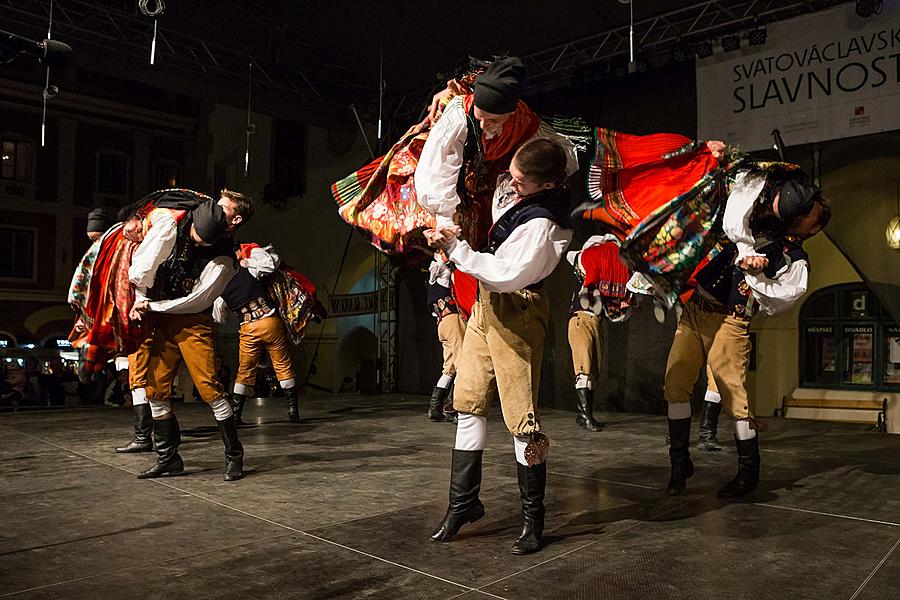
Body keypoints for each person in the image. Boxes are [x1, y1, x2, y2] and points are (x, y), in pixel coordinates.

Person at [424, 137, 573, 555]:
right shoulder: (527, 182)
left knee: (520, 417)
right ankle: (463, 503)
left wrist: (456, 249)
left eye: (521, 180)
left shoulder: (545, 225)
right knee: (467, 401)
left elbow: (507, 273)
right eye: (512, 171)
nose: (512, 181)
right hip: (485, 309)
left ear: (545, 185)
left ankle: (533, 520)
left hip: (518, 311)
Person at [663, 170, 831, 497]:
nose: (801, 213)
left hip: (729, 320)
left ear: (815, 227)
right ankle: (679, 461)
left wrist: (757, 274)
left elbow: (781, 297)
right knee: (675, 384)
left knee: (735, 399)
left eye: (809, 213)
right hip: (696, 308)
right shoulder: (758, 218)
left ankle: (748, 471)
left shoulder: (793, 257)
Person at [114, 189, 253, 454]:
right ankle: (168, 457)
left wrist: (150, 304)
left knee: (208, 387)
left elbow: (197, 301)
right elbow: (149, 263)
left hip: (191, 322)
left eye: (223, 210)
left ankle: (234, 453)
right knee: (155, 387)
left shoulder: (223, 260)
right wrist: (140, 298)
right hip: (164, 319)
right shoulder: (180, 227)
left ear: (233, 221)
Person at [213, 244, 301, 424]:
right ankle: (293, 410)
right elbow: (272, 262)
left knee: (245, 371)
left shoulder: (220, 290)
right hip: (270, 321)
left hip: (248, 327)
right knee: (283, 365)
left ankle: (237, 415)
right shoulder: (250, 269)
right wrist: (249, 260)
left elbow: (218, 317)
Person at [564, 235, 635, 431]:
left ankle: (583, 414)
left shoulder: (596, 262)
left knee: (593, 370)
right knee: (583, 368)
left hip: (595, 320)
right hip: (581, 319)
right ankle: (586, 416)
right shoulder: (597, 260)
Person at [425, 256, 465, 423]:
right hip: (451, 321)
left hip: (442, 323)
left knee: (449, 368)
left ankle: (435, 409)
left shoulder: (434, 282)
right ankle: (455, 408)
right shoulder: (442, 274)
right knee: (463, 363)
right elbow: (442, 265)